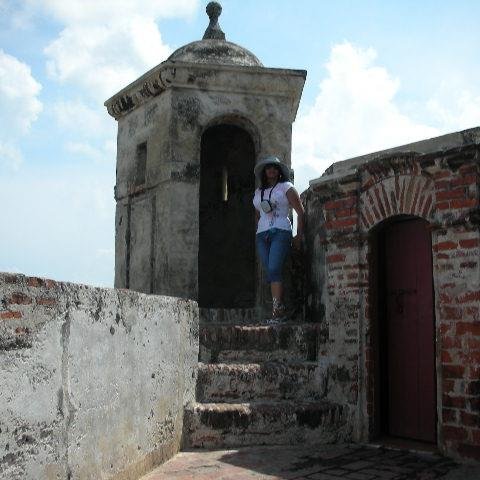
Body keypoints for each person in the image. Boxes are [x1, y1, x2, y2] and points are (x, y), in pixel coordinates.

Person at [252, 155, 305, 321]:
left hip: (281, 231)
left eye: (274, 167)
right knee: (270, 270)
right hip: (262, 234)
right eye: (268, 168)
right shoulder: (258, 192)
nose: (271, 170)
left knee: (274, 268)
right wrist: (260, 228)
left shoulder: (286, 187)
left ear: (279, 171)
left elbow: (300, 212)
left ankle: (277, 309)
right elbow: (257, 214)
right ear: (264, 172)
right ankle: (279, 310)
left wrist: (298, 235)